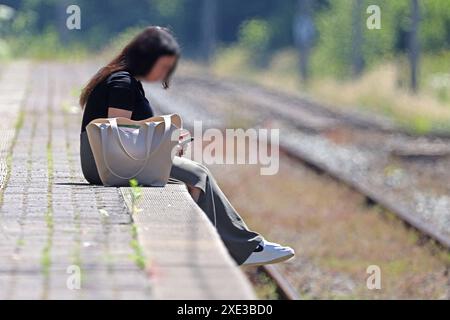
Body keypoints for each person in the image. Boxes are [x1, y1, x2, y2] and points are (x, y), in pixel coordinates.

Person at [78, 26, 294, 266]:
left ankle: (230, 247)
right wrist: (165, 143)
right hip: (108, 164)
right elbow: (117, 133)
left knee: (195, 177)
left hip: (107, 162)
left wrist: (167, 143)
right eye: (163, 66)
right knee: (197, 174)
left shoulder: (122, 78)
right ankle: (245, 247)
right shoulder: (122, 82)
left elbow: (125, 134)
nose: (165, 73)